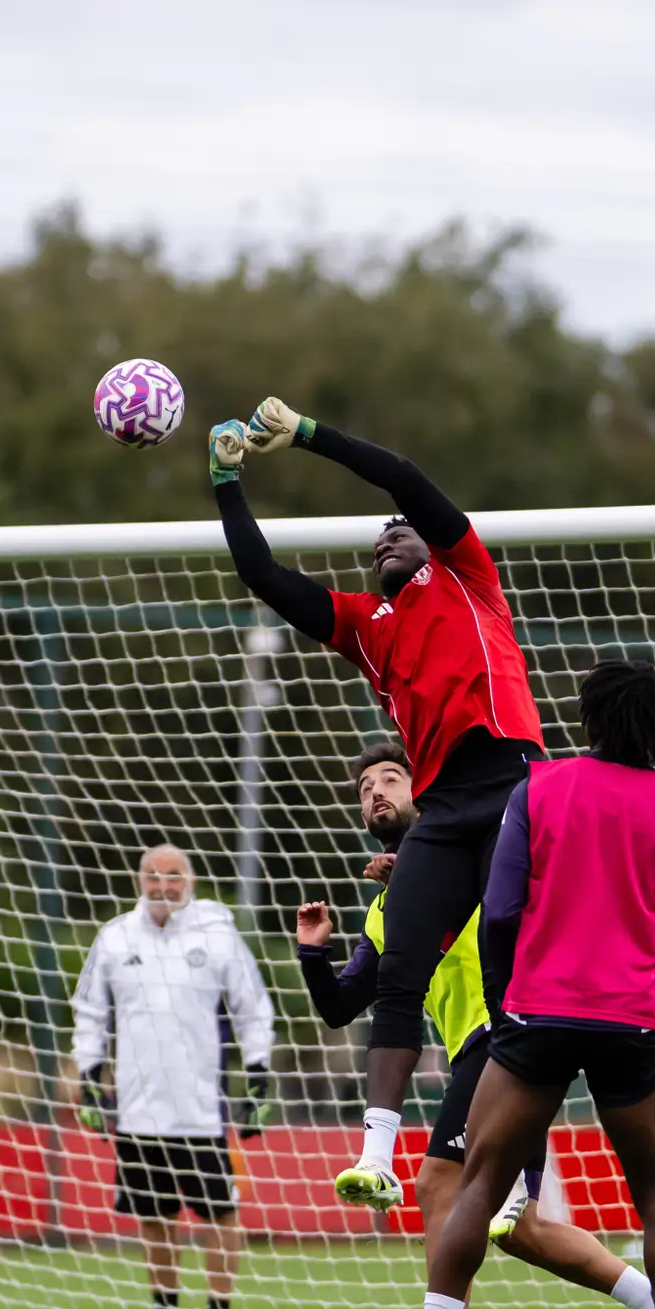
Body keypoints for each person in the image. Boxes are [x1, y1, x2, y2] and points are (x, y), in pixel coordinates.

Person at [207, 395, 542, 1212]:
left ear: (428, 543)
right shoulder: (368, 627)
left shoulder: (469, 574)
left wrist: (309, 436)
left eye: (398, 530)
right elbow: (263, 575)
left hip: (514, 790)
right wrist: (224, 482)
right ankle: (377, 1154)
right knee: (398, 972)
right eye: (376, 539)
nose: (387, 537)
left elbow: (402, 476)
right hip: (445, 808)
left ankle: (515, 1172)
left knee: (514, 982)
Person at [380, 661, 655, 1309]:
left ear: (590, 721)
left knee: (476, 1185)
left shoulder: (537, 789)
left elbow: (502, 910)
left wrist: (509, 1002)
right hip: (635, 1023)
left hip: (537, 1019)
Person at [298, 745, 655, 1309]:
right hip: (486, 1053)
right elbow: (339, 1005)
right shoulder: (386, 912)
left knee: (437, 1183)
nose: (375, 792)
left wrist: (414, 865)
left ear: (432, 791)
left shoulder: (485, 858)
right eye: (363, 788)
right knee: (520, 1232)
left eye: (391, 778)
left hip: (510, 1038)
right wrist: (310, 953)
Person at [72, 844, 273, 1309]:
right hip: (138, 1110)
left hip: (201, 1109)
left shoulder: (218, 935)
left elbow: (253, 1006)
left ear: (191, 881)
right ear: (140, 881)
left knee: (221, 1214)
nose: (163, 884)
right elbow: (90, 1013)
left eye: (174, 875)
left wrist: (259, 1071)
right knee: (154, 1217)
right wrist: (87, 1077)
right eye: (153, 875)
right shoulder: (115, 938)